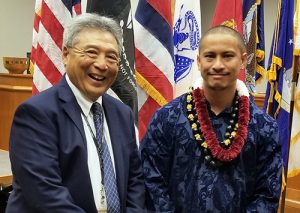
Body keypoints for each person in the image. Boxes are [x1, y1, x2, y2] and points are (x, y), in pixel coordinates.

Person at [7, 13, 145, 213]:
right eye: (91, 52)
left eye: (111, 56)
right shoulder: (36, 113)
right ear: (65, 55)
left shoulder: (122, 113)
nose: (102, 64)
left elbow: (134, 183)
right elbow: (45, 194)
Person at [140, 25, 282, 212]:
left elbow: (267, 193)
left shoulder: (264, 126)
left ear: (243, 60)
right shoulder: (167, 118)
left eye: (227, 56)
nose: (218, 65)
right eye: (210, 56)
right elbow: (151, 179)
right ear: (199, 61)